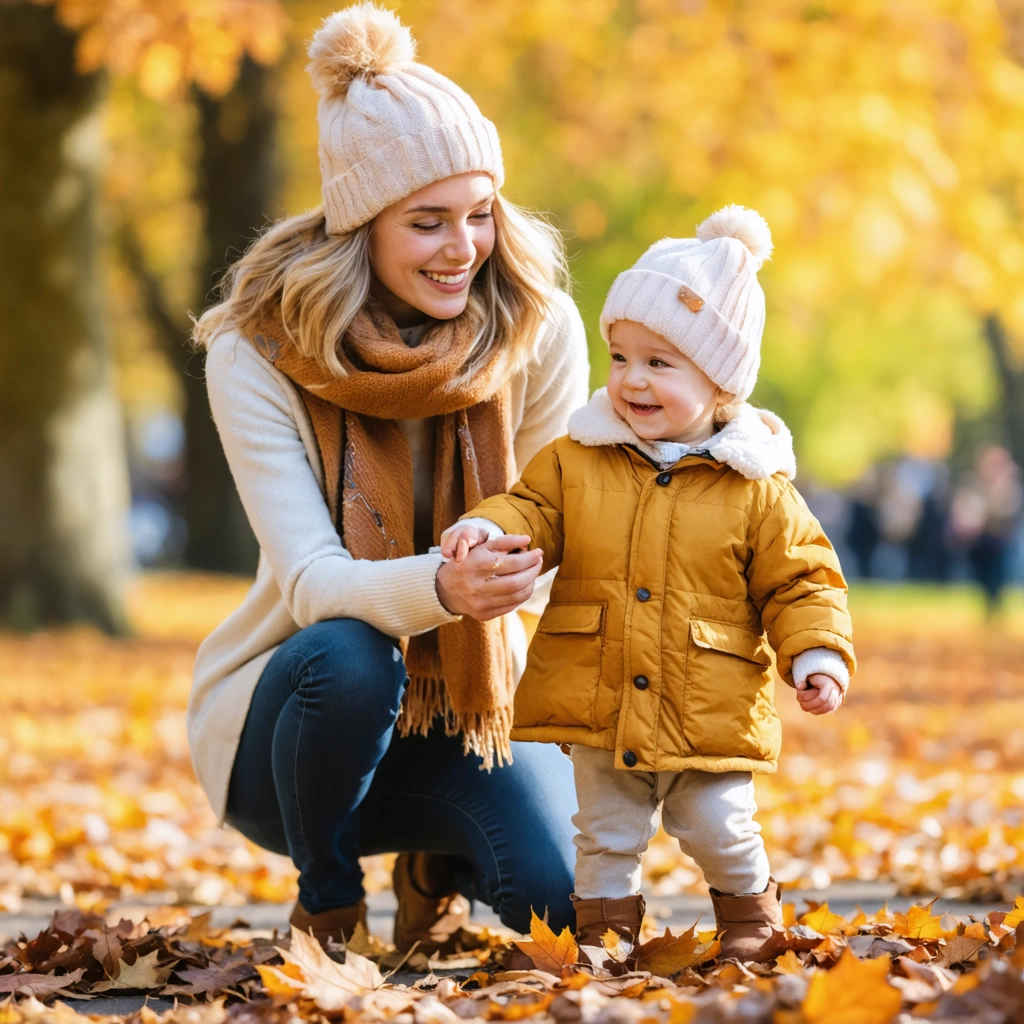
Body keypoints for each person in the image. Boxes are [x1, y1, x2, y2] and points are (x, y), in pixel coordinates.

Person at [186, 2, 590, 952]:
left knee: (560, 907)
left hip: (471, 709)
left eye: (480, 214)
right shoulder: (256, 354)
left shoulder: (539, 333)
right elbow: (313, 582)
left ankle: (434, 862)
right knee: (350, 649)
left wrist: (514, 563)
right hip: (288, 730)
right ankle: (327, 896)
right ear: (360, 225)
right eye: (427, 222)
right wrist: (445, 586)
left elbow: (560, 527)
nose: (464, 249)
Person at [441, 206, 856, 965]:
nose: (632, 379)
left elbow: (803, 579)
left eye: (660, 364)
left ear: (720, 383)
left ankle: (750, 925)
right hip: (601, 700)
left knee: (721, 828)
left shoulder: (756, 488)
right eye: (621, 356)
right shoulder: (578, 459)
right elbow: (530, 508)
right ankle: (603, 939)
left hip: (708, 709)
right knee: (604, 835)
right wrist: (488, 526)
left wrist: (817, 654)